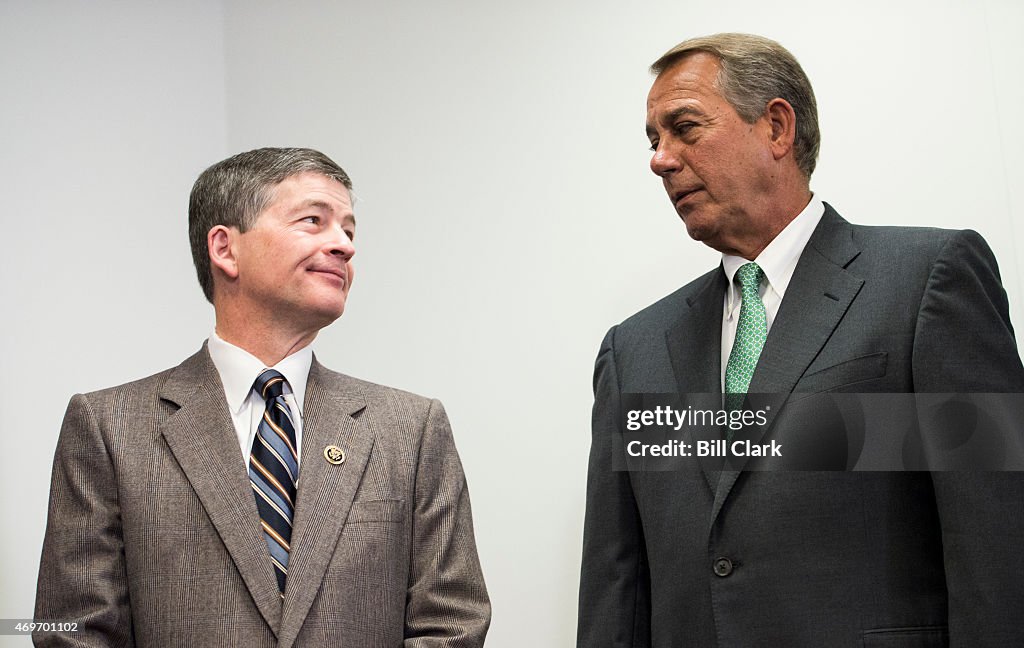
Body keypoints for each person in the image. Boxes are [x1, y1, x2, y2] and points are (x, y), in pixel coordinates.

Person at [577, 33, 1024, 647]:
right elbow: (615, 588)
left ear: (777, 128)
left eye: (684, 128)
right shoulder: (634, 353)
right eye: (654, 141)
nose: (661, 159)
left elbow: (997, 544)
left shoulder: (929, 282)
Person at [35, 147, 490, 647]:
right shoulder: (107, 426)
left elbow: (453, 624)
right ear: (225, 249)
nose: (343, 245)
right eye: (313, 220)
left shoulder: (412, 428)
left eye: (349, 231)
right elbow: (68, 633)